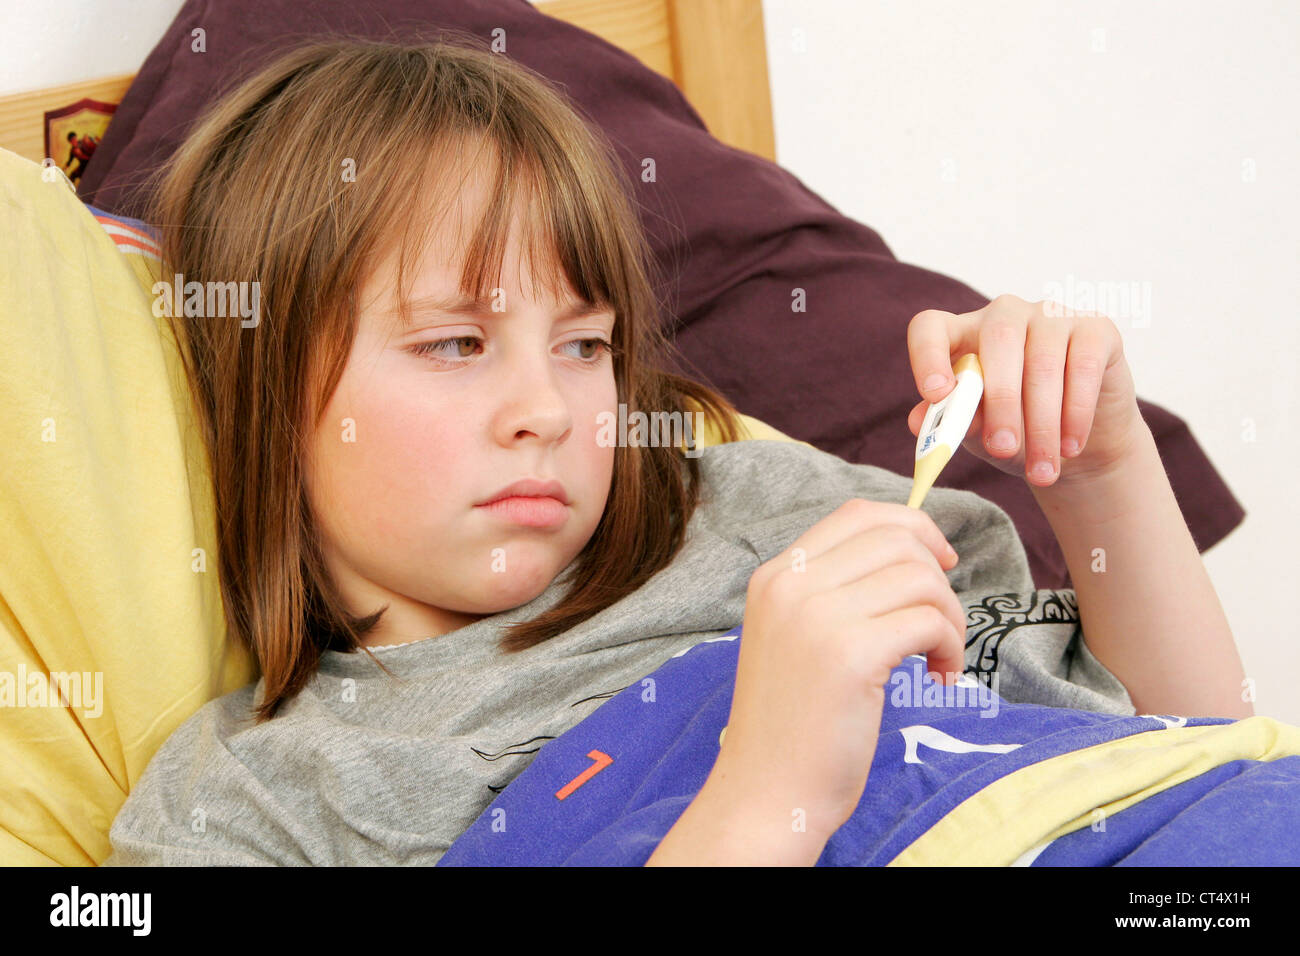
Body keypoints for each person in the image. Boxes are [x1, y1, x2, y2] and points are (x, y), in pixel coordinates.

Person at [101, 36, 1252, 867]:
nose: (546, 409)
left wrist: (1102, 471)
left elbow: (1187, 742)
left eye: (585, 343)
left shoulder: (763, 519)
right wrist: (770, 792)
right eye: (456, 342)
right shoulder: (255, 801)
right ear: (257, 388)